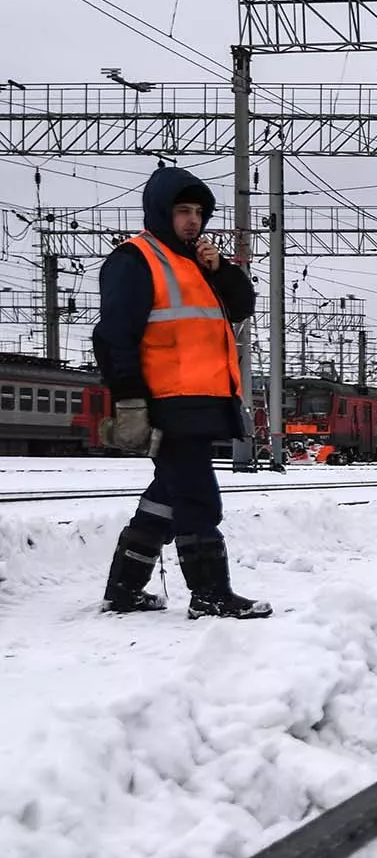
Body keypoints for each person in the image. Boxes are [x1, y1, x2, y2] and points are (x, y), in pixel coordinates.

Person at [93, 165, 272, 619]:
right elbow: (114, 336)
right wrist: (129, 399)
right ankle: (210, 594)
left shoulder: (196, 263)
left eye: (198, 212)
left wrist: (222, 269)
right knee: (197, 497)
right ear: (160, 211)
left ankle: (124, 589)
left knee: (168, 495)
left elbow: (241, 307)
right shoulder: (135, 260)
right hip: (168, 400)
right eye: (183, 211)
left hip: (202, 399)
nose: (193, 221)